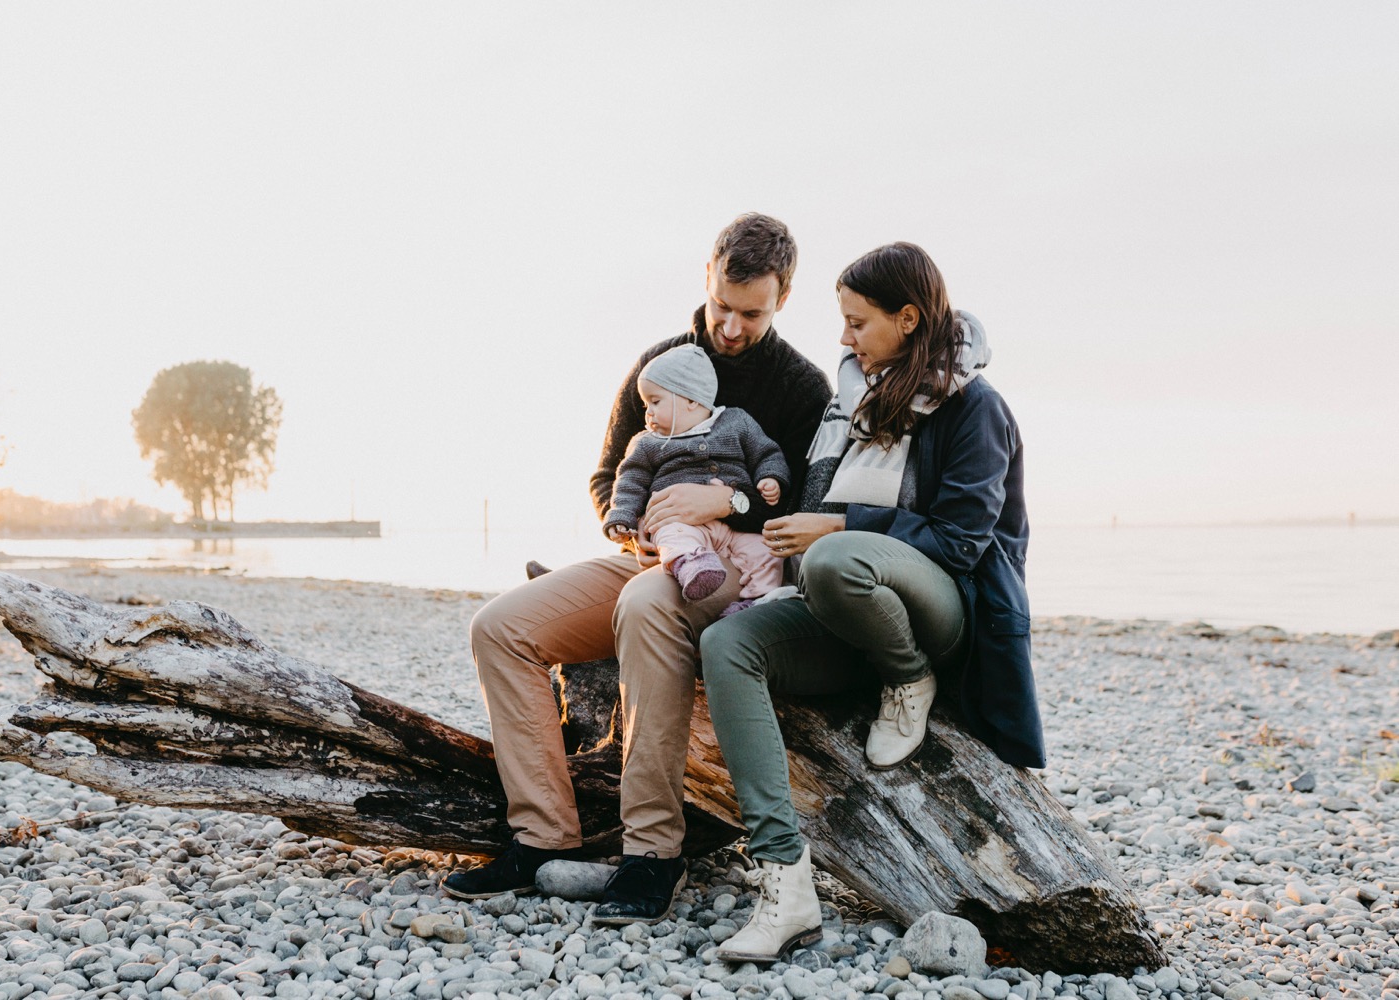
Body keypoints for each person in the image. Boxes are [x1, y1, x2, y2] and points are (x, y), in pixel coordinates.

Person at [441, 213, 831, 925]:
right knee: (500, 628)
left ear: (784, 298)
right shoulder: (659, 365)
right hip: (654, 558)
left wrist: (730, 501)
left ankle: (652, 853)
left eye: (751, 314)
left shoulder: (802, 388)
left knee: (649, 604)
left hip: (737, 574)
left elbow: (803, 510)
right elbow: (606, 476)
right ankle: (542, 837)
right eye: (722, 305)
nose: (731, 326)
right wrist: (630, 531)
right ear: (706, 277)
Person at [698, 241, 1046, 963]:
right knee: (727, 644)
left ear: (907, 319)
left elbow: (960, 543)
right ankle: (785, 881)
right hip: (843, 603)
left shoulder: (975, 407)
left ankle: (908, 676)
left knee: (835, 556)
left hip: (941, 612)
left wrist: (836, 528)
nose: (844, 337)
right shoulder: (853, 400)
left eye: (858, 323)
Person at [603, 343, 790, 606]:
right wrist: (623, 516)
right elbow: (629, 481)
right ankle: (694, 568)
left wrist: (770, 477)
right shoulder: (647, 443)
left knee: (766, 550)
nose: (648, 413)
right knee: (673, 538)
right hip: (680, 523)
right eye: (646, 405)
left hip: (734, 527)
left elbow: (766, 452)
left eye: (655, 402)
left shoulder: (737, 422)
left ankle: (756, 601)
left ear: (691, 400)